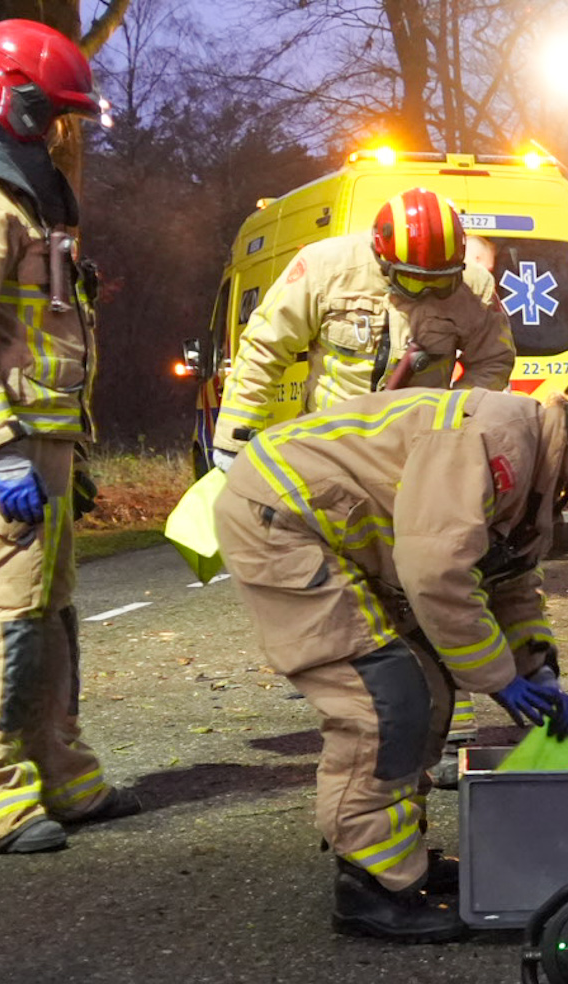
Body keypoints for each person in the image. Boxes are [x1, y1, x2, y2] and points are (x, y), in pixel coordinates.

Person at [212, 354, 568, 942]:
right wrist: (498, 677)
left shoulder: (537, 473)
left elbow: (509, 582)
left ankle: (396, 858)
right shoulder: (496, 441)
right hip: (283, 518)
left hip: (329, 530)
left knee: (431, 691)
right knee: (382, 700)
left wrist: (535, 669)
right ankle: (369, 885)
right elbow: (437, 571)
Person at [0, 20, 135, 855]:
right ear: (12, 98)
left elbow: (43, 337)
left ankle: (58, 773)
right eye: (51, 112)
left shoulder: (14, 196)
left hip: (40, 445)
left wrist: (68, 451)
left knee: (47, 614)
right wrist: (3, 451)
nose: (58, 130)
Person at [210, 189, 519, 788]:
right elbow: (265, 346)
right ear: (381, 260)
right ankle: (368, 712)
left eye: (440, 283)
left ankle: (442, 729)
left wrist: (456, 432)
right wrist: (235, 438)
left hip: (417, 465)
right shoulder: (326, 267)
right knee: (351, 595)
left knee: (427, 586)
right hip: (332, 464)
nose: (426, 294)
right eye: (412, 282)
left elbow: (491, 364)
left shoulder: (473, 291)